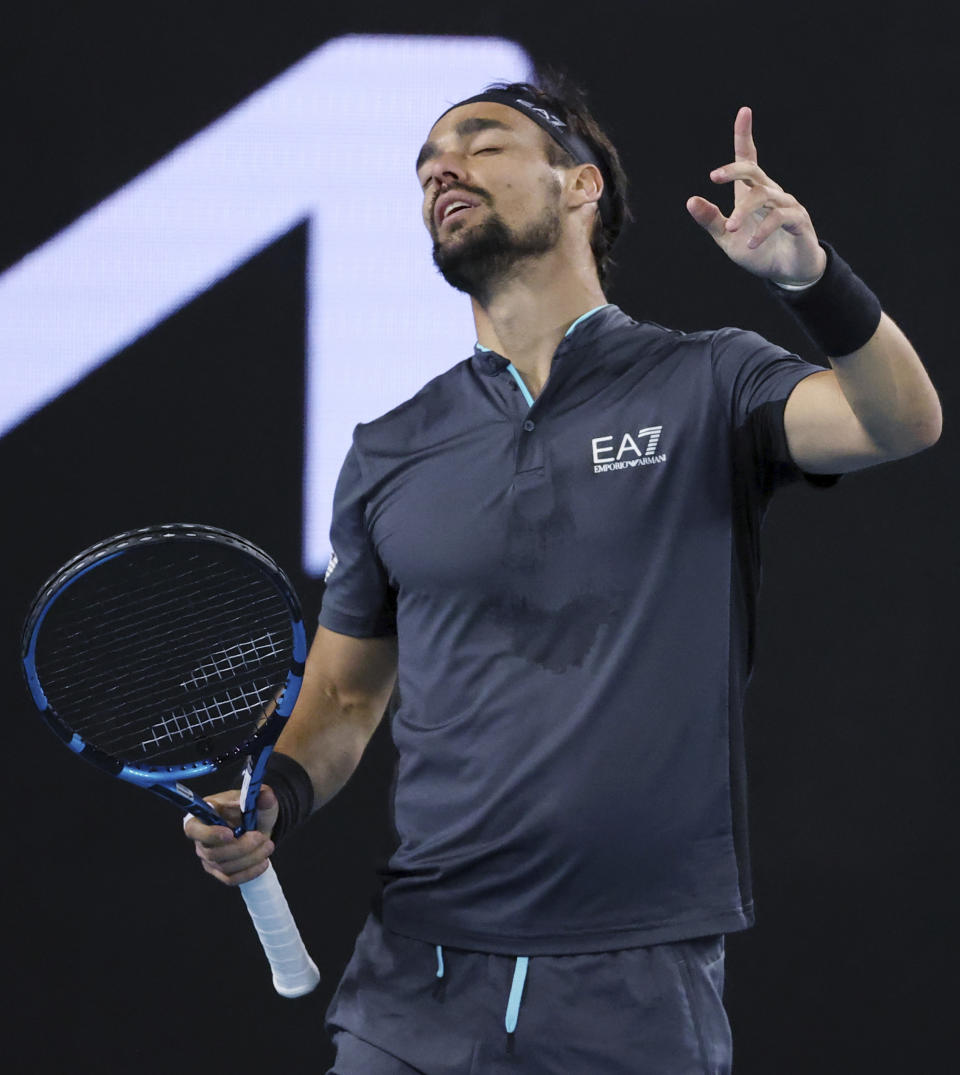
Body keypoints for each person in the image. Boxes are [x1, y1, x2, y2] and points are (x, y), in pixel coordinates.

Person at [185, 78, 941, 1074]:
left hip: (632, 989)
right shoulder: (390, 448)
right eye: (426, 165)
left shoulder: (708, 381)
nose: (443, 168)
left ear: (581, 185)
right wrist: (275, 792)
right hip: (415, 981)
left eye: (482, 144)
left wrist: (812, 281)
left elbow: (899, 422)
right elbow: (344, 692)